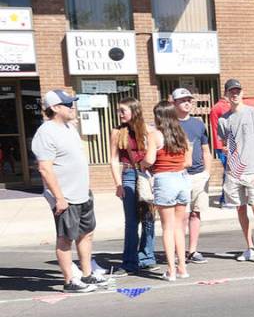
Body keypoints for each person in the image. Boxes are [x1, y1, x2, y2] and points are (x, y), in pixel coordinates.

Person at [32, 89, 108, 293]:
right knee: (65, 238)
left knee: (86, 233)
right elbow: (45, 168)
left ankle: (86, 274)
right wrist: (59, 198)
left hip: (82, 192)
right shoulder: (46, 132)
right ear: (54, 108)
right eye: (68, 104)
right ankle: (69, 281)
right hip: (65, 196)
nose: (72, 107)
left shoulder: (68, 127)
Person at [216, 78, 254, 264]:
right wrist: (227, 151)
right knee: (240, 210)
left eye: (238, 91)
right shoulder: (224, 120)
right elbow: (226, 144)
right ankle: (250, 247)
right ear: (226, 94)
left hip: (253, 170)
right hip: (234, 172)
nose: (235, 94)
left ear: (242, 92)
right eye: (231, 91)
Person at [108, 97, 156, 274]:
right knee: (131, 221)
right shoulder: (117, 132)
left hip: (146, 175)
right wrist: (118, 184)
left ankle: (147, 256)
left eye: (123, 110)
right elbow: (113, 159)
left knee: (149, 217)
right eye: (119, 110)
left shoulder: (148, 130)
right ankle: (129, 261)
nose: (119, 114)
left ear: (134, 111)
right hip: (128, 174)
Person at [145, 101, 192, 281]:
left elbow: (149, 160)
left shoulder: (155, 135)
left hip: (164, 179)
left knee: (167, 227)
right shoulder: (181, 134)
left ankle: (171, 270)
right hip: (182, 178)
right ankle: (182, 267)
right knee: (180, 227)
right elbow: (188, 162)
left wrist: (142, 163)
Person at [172, 88, 212, 264]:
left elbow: (205, 149)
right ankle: (178, 251)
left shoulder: (198, 124)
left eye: (189, 99)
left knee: (196, 213)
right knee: (181, 215)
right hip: (178, 175)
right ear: (174, 103)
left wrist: (207, 172)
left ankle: (192, 250)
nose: (187, 103)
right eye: (182, 100)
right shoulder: (169, 124)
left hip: (198, 175)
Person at [208, 92, 231, 207]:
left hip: (221, 145)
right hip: (224, 145)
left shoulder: (216, 107)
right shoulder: (222, 107)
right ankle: (225, 199)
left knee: (229, 172)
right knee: (229, 172)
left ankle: (225, 199)